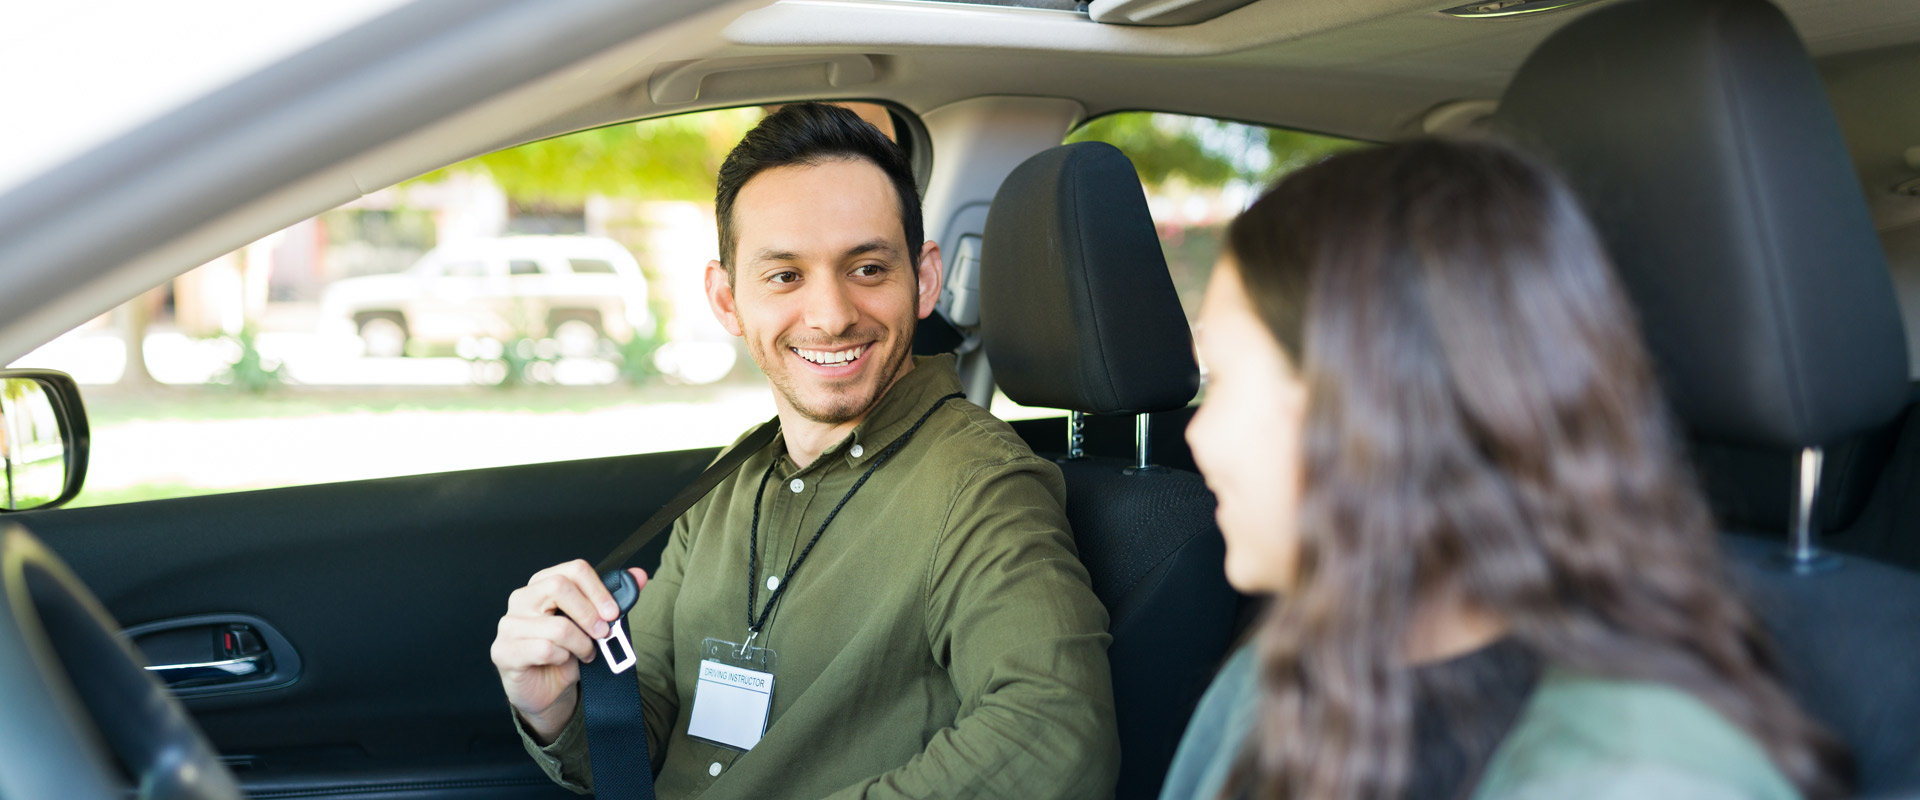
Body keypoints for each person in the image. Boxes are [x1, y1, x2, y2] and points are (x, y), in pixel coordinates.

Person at [1162, 138, 1850, 800]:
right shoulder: (1282, 676)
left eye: (1220, 377)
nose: (1196, 433)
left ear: (1373, 407)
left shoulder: (1644, 776)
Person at [489, 103, 1119, 799]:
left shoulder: (981, 487)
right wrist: (555, 708)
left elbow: (1057, 734)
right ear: (727, 300)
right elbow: (655, 716)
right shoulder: (734, 477)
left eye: (869, 268)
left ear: (925, 281)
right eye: (785, 276)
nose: (830, 314)